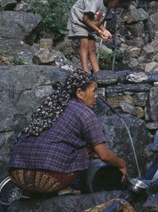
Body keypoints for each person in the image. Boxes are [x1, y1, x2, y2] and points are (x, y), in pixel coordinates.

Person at [9, 69, 127, 197]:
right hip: (49, 179)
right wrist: (122, 164)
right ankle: (64, 189)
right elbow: (104, 155)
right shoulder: (84, 113)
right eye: (93, 90)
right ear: (80, 93)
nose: (96, 95)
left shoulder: (50, 106)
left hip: (18, 177)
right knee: (84, 149)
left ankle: (32, 192)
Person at [68, 0, 132, 73]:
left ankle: (98, 73)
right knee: (84, 44)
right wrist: (98, 31)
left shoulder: (107, 5)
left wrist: (104, 30)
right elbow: (86, 18)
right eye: (116, 5)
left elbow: (99, 20)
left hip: (91, 23)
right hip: (79, 20)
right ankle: (85, 72)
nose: (115, 8)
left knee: (92, 48)